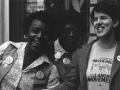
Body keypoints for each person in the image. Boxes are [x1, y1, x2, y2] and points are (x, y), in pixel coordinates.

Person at [51, 1, 120, 90]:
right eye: (95, 19)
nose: (98, 22)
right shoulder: (82, 53)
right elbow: (69, 84)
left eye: (103, 18)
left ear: (115, 22)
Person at [0, 11, 60, 90]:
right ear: (27, 32)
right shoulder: (8, 48)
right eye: (35, 30)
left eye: (45, 33)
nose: (39, 36)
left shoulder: (50, 70)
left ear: (50, 37)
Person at [48, 10, 87, 83]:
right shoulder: (47, 49)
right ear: (59, 31)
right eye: (67, 31)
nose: (71, 34)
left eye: (75, 31)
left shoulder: (83, 52)